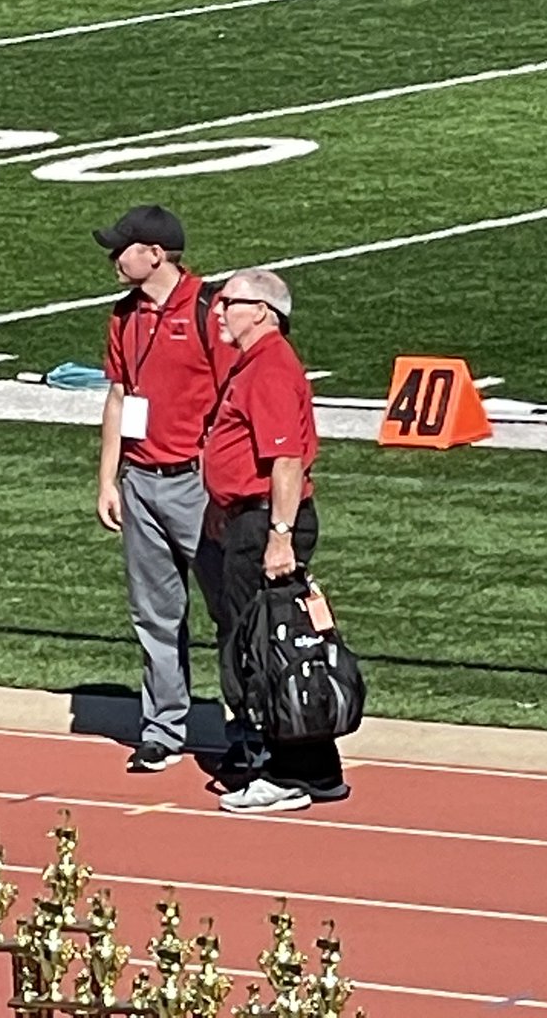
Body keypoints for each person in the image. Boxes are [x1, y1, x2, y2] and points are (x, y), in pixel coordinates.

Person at [202, 268, 350, 813]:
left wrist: (279, 536)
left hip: (266, 524)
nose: (219, 311)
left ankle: (284, 772)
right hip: (251, 518)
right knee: (282, 642)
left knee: (265, 648)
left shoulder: (268, 369)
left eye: (229, 302)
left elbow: (285, 459)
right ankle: (317, 766)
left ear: (262, 312)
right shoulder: (256, 364)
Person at [94, 204, 233, 773]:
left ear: (155, 254)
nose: (112, 257)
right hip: (141, 482)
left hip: (198, 485)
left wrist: (219, 476)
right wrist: (108, 478)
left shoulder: (209, 310)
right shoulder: (124, 316)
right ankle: (162, 729)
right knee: (154, 615)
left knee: (231, 611)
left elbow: (233, 396)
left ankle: (248, 726)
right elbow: (118, 396)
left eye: (121, 248)